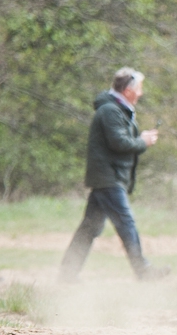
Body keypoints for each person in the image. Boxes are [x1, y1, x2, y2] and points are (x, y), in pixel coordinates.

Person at [59, 67, 169, 282]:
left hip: (108, 177)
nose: (141, 93)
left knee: (89, 228)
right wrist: (143, 141)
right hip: (108, 178)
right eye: (139, 88)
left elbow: (120, 139)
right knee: (126, 223)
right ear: (128, 90)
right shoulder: (110, 111)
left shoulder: (117, 109)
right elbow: (119, 143)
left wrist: (141, 137)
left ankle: (67, 273)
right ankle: (143, 270)